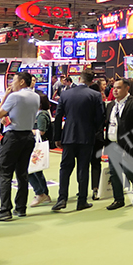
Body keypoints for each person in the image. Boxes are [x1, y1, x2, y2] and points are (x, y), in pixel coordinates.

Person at [52, 70, 104, 212]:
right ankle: (82, 200)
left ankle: (62, 199)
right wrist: (93, 131)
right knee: (83, 168)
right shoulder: (95, 95)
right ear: (92, 81)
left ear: (79, 79)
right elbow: (100, 118)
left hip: (69, 135)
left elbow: (58, 117)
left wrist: (57, 137)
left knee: (65, 168)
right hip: (87, 137)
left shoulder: (65, 94)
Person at [0, 72, 39, 221]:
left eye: (14, 80)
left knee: (5, 174)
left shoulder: (14, 96)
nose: (12, 83)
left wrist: (5, 96)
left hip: (13, 137)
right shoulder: (35, 96)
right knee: (22, 173)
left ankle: (5, 210)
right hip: (28, 136)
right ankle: (21, 207)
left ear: (22, 82)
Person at [104, 79, 133, 210]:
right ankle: (118, 199)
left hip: (129, 143)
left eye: (118, 88)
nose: (115, 90)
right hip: (113, 142)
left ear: (126, 88)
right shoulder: (110, 105)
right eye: (114, 88)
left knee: (128, 169)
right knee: (114, 172)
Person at [28, 94, 52, 208]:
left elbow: (41, 131)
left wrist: (27, 130)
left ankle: (40, 193)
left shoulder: (42, 115)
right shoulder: (37, 113)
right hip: (34, 144)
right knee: (36, 170)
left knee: (31, 170)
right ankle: (43, 193)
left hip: (37, 146)